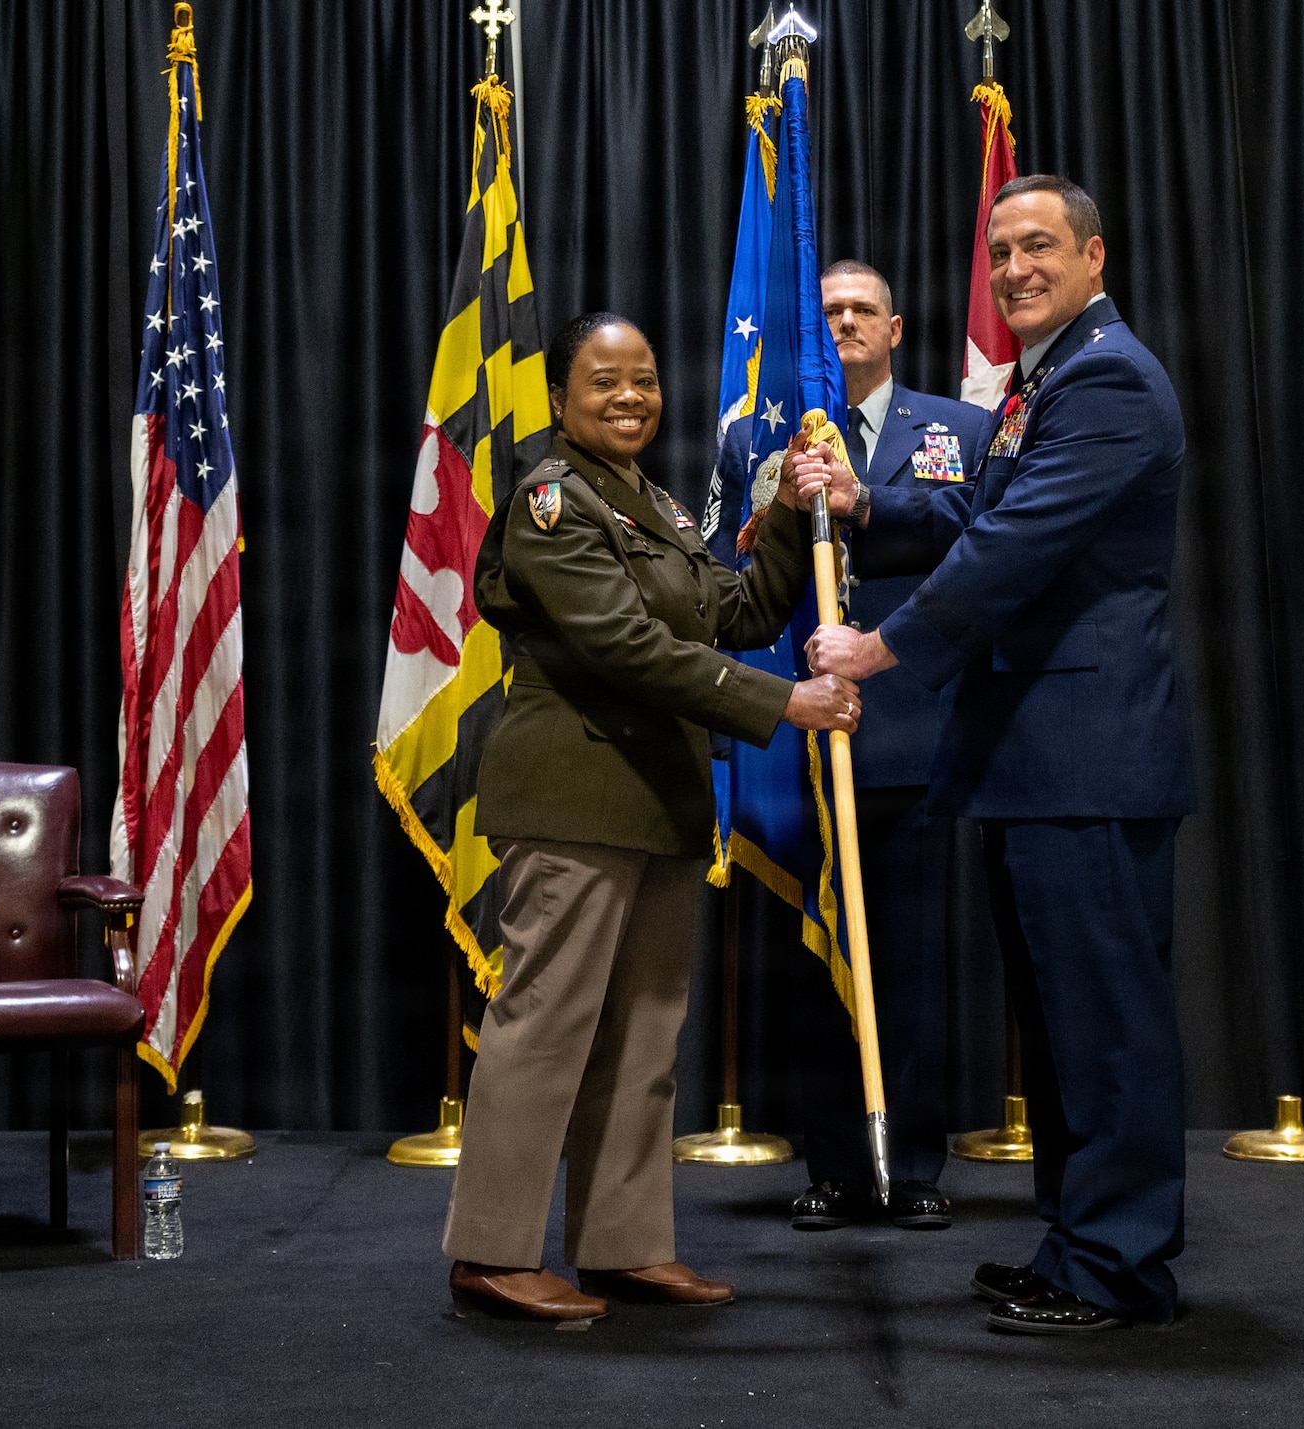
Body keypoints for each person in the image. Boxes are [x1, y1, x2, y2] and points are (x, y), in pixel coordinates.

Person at [797, 177, 1195, 1334]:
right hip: (1035, 753)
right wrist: (869, 511)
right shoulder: (1046, 379)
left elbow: (1014, 545)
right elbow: (969, 505)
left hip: (1091, 751)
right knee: (1064, 1024)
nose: (1015, 266)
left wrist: (878, 647)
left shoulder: (1108, 378)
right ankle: (1078, 1245)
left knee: (1107, 1025)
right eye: (1000, 249)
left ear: (1092, 254)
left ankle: (1120, 1264)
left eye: (1038, 247)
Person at [443, 312, 861, 1323]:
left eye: (642, 378)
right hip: (575, 798)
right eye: (603, 381)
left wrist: (786, 523)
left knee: (640, 1036)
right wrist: (780, 705)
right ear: (560, 399)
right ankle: (492, 1253)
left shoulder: (651, 504)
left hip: (657, 803)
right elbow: (625, 645)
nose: (628, 396)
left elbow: (731, 612)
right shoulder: (551, 499)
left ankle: (622, 1246)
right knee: (543, 1029)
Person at [707, 261, 994, 1233]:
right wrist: (792, 500)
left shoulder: (955, 428)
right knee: (810, 954)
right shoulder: (760, 430)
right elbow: (732, 559)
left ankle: (909, 1164)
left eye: (859, 310)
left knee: (908, 961)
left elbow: (980, 534)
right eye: (825, 311)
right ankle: (830, 1165)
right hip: (795, 732)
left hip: (909, 727)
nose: (841, 325)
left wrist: (865, 504)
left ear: (895, 327)